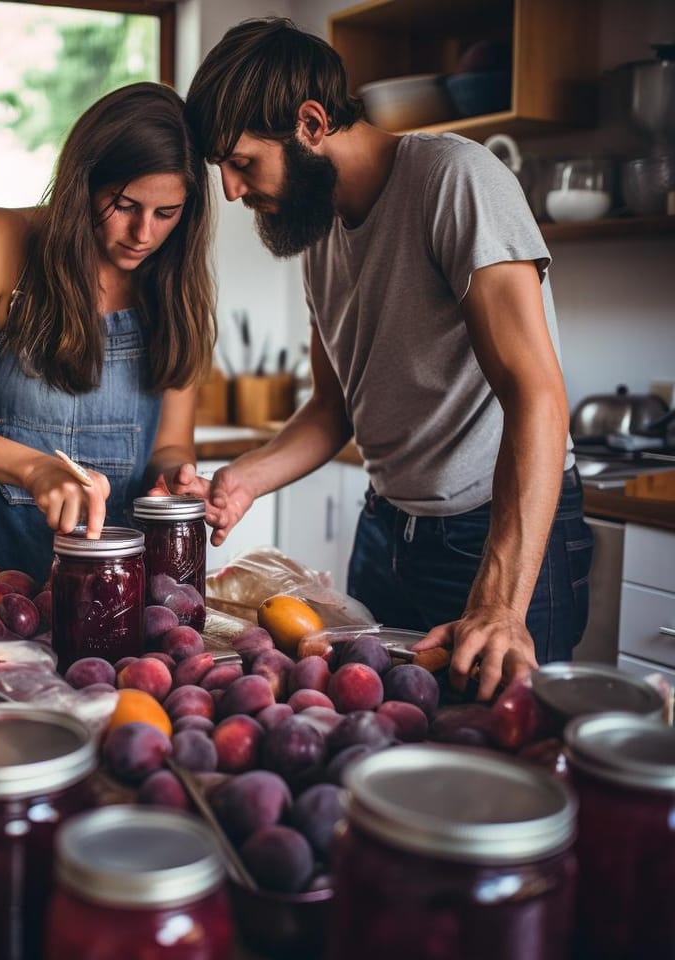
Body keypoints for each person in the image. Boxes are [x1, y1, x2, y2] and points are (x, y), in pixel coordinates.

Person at [171, 17, 592, 700]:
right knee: (375, 739)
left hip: (498, 536)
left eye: (242, 162)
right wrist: (242, 480)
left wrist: (499, 602)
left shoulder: (455, 181)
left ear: (310, 123)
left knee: (493, 769)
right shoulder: (319, 233)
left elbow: (536, 393)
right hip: (389, 530)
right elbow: (333, 409)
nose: (230, 191)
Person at [0, 82, 216, 585]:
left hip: (111, 595)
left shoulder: (175, 287)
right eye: (124, 204)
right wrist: (34, 469)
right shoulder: (0, 242)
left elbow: (170, 446)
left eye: (166, 213)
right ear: (84, 184)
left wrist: (173, 482)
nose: (144, 234)